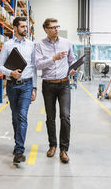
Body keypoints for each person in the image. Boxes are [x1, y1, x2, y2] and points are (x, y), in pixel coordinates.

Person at [35, 18, 77, 164]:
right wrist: (53, 58)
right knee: (50, 117)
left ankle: (64, 149)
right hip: (48, 85)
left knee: (65, 116)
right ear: (46, 30)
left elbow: (72, 60)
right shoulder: (40, 45)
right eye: (53, 27)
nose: (56, 30)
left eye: (57, 27)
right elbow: (38, 65)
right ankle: (52, 145)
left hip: (64, 84)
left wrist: (73, 69)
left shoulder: (66, 43)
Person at [0, 16, 37, 164]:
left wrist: (34, 88)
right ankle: (17, 142)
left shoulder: (32, 45)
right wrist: (11, 73)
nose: (25, 29)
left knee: (22, 116)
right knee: (15, 117)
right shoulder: (7, 45)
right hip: (12, 85)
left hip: (26, 85)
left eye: (26, 27)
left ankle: (19, 150)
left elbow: (33, 68)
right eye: (22, 27)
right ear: (15, 28)